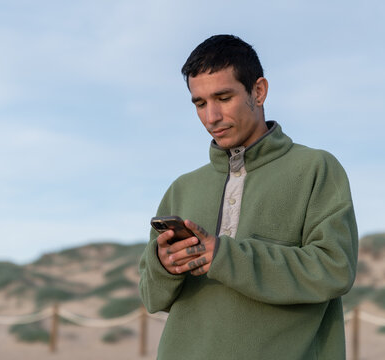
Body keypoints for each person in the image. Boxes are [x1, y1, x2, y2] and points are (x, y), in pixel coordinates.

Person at [138, 34, 358, 360]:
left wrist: (225, 256)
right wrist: (164, 266)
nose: (211, 117)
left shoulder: (315, 168)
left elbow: (335, 268)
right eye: (200, 103)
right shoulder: (182, 188)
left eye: (223, 97)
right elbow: (151, 297)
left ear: (258, 91)